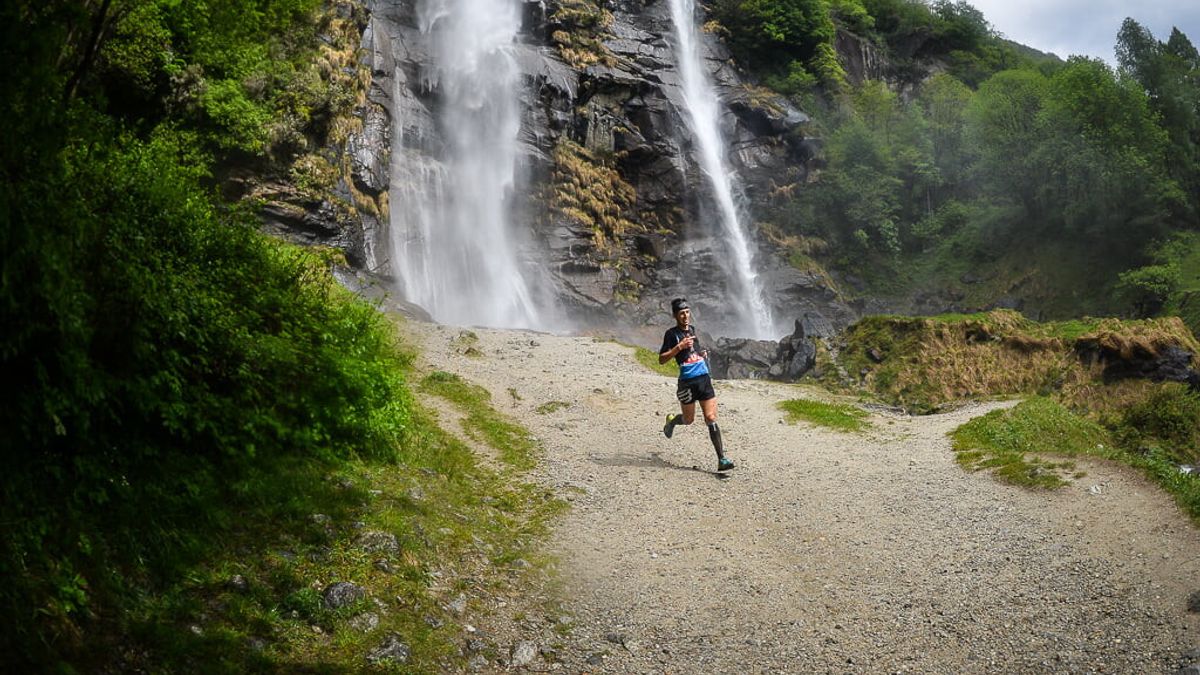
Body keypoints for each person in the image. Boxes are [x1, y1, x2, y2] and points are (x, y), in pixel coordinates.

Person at [659, 298, 734, 471]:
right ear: (675, 316)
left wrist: (702, 353)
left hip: (704, 379)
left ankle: (721, 459)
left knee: (710, 418)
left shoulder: (692, 330)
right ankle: (671, 421)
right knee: (688, 419)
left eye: (687, 312)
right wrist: (679, 347)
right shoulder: (671, 334)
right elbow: (662, 359)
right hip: (687, 383)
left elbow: (694, 351)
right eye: (681, 314)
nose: (685, 316)